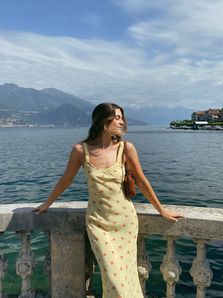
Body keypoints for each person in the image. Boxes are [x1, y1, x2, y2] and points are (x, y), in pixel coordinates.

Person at [34, 102, 184, 298]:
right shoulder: (81, 150)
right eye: (117, 117)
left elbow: (141, 181)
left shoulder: (126, 148)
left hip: (125, 222)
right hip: (99, 224)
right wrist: (48, 203)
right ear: (104, 122)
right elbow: (66, 179)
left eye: (122, 117)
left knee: (127, 278)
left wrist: (161, 210)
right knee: (113, 279)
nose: (122, 121)